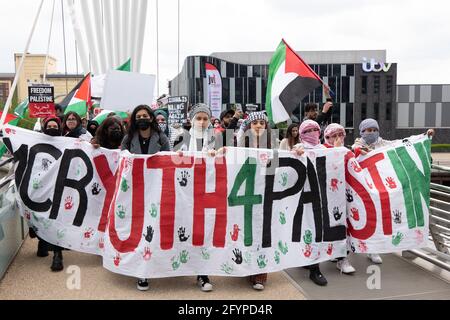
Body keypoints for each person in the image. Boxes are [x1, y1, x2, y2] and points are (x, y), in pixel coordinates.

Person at [352, 118, 435, 264]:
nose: (371, 133)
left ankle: (376, 249)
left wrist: (423, 136)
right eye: (368, 130)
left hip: (381, 189)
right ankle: (366, 248)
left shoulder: (384, 144)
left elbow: (402, 143)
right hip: (365, 189)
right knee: (369, 217)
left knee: (380, 217)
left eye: (374, 130)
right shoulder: (358, 145)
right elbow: (353, 152)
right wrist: (358, 151)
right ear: (361, 132)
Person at [120, 104, 170, 291]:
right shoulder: (128, 139)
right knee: (139, 228)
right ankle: (142, 271)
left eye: (145, 115)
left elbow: (169, 160)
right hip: (135, 190)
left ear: (151, 118)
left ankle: (153, 264)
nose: (142, 118)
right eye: (138, 116)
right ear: (135, 119)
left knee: (154, 228)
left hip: (156, 190)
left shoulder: (162, 138)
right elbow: (120, 159)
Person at [236, 111, 276, 290]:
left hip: (265, 195)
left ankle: (260, 274)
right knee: (247, 233)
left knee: (262, 233)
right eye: (255, 123)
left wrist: (297, 152)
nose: (259, 125)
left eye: (262, 123)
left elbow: (276, 169)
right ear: (249, 127)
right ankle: (246, 268)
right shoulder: (240, 146)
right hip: (246, 195)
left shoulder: (272, 146)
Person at [292, 120, 329, 286]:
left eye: (315, 129)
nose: (313, 132)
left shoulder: (325, 150)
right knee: (305, 230)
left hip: (320, 197)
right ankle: (307, 260)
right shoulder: (298, 148)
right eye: (308, 130)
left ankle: (315, 268)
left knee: (316, 230)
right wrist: (295, 154)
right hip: (303, 197)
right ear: (301, 134)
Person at [28, 116, 65, 271]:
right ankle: (42, 242)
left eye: (54, 125)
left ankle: (58, 255)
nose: (52, 128)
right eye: (49, 125)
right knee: (40, 216)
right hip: (41, 187)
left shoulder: (66, 142)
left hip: (59, 188)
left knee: (56, 220)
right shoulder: (36, 143)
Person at [323, 123, 356, 274]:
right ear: (327, 137)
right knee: (331, 226)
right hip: (328, 197)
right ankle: (335, 253)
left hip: (345, 196)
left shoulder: (347, 151)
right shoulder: (321, 150)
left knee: (344, 227)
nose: (337, 138)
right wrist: (336, 151)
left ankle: (343, 258)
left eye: (340, 135)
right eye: (333, 136)